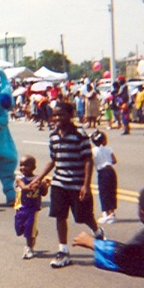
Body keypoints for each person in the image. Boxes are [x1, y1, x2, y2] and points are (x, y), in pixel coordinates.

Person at [32, 101, 104, 269]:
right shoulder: (53, 135)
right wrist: (40, 177)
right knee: (60, 216)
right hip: (59, 183)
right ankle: (63, 251)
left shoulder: (79, 134)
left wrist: (86, 185)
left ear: (71, 115)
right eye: (55, 115)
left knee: (84, 216)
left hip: (77, 184)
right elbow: (53, 159)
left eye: (61, 115)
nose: (57, 118)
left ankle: (98, 233)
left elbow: (88, 160)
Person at [14, 155, 49, 260]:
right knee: (19, 230)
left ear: (33, 167)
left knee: (29, 228)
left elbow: (44, 193)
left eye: (26, 165)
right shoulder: (19, 178)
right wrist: (31, 186)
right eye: (21, 165)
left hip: (32, 209)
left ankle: (29, 247)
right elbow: (23, 187)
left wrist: (44, 186)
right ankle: (33, 232)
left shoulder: (38, 179)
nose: (23, 168)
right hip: (20, 208)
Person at [90, 130, 118, 224]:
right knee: (111, 191)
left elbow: (91, 162)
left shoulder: (93, 151)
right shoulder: (108, 149)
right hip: (111, 171)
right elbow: (114, 160)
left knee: (104, 192)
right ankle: (111, 212)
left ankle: (107, 213)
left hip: (102, 172)